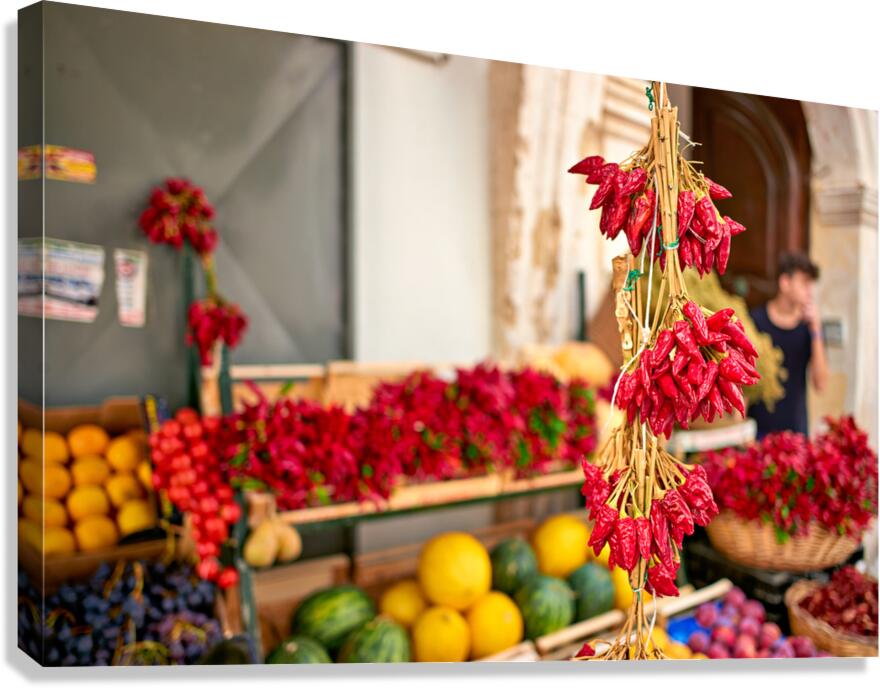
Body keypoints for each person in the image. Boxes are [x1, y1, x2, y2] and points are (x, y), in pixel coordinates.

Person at [748, 252, 829, 438]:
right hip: (757, 433)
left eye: (811, 284)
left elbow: (821, 383)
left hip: (796, 434)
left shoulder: (809, 329)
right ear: (785, 283)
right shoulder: (755, 321)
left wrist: (816, 329)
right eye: (804, 283)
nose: (809, 291)